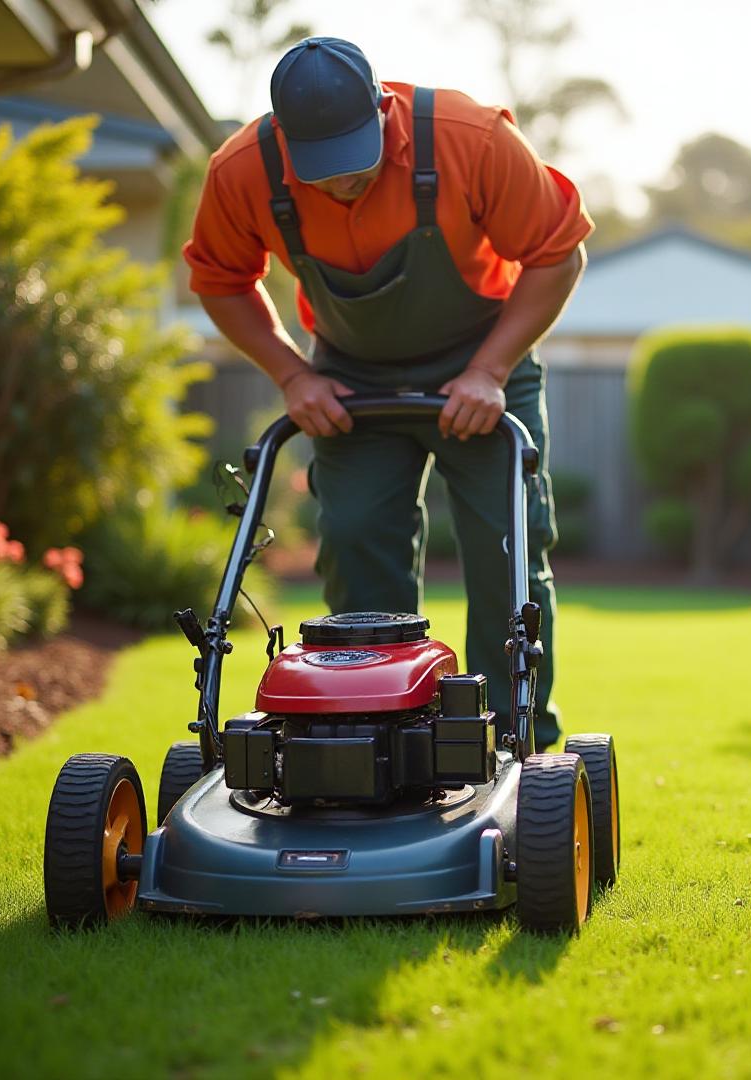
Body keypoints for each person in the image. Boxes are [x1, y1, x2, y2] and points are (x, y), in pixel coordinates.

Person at [182, 37, 591, 750]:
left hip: (482, 366)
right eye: (321, 169)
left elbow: (558, 253)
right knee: (355, 542)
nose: (340, 182)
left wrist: (491, 370)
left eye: (353, 159)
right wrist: (293, 374)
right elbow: (221, 280)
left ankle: (513, 743)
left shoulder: (471, 140)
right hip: (350, 377)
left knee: (508, 555)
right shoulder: (243, 170)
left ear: (383, 111)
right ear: (283, 138)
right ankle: (376, 736)